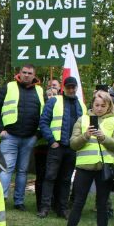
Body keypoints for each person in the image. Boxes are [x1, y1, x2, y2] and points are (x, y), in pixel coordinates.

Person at [57, 91, 114, 226]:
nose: (99, 108)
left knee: (102, 205)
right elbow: (73, 144)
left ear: (109, 106)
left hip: (104, 169)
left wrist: (103, 138)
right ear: (92, 104)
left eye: (103, 105)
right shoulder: (83, 119)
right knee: (78, 203)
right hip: (84, 168)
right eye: (96, 105)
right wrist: (86, 135)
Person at [0, 64, 44, 210]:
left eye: (30, 73)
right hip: (10, 136)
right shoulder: (9, 87)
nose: (26, 75)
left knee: (22, 171)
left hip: (29, 138)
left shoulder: (40, 90)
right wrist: (0, 129)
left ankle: (19, 202)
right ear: (19, 73)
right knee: (6, 169)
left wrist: (37, 135)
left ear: (34, 75)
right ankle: (0, 200)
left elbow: (44, 114)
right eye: (24, 72)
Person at [37, 76, 85, 218]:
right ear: (63, 88)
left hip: (72, 148)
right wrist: (51, 140)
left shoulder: (82, 105)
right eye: (68, 87)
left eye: (73, 87)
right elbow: (43, 122)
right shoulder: (54, 101)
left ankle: (62, 209)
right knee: (50, 177)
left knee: (66, 179)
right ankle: (45, 208)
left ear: (76, 88)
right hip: (56, 146)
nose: (71, 89)